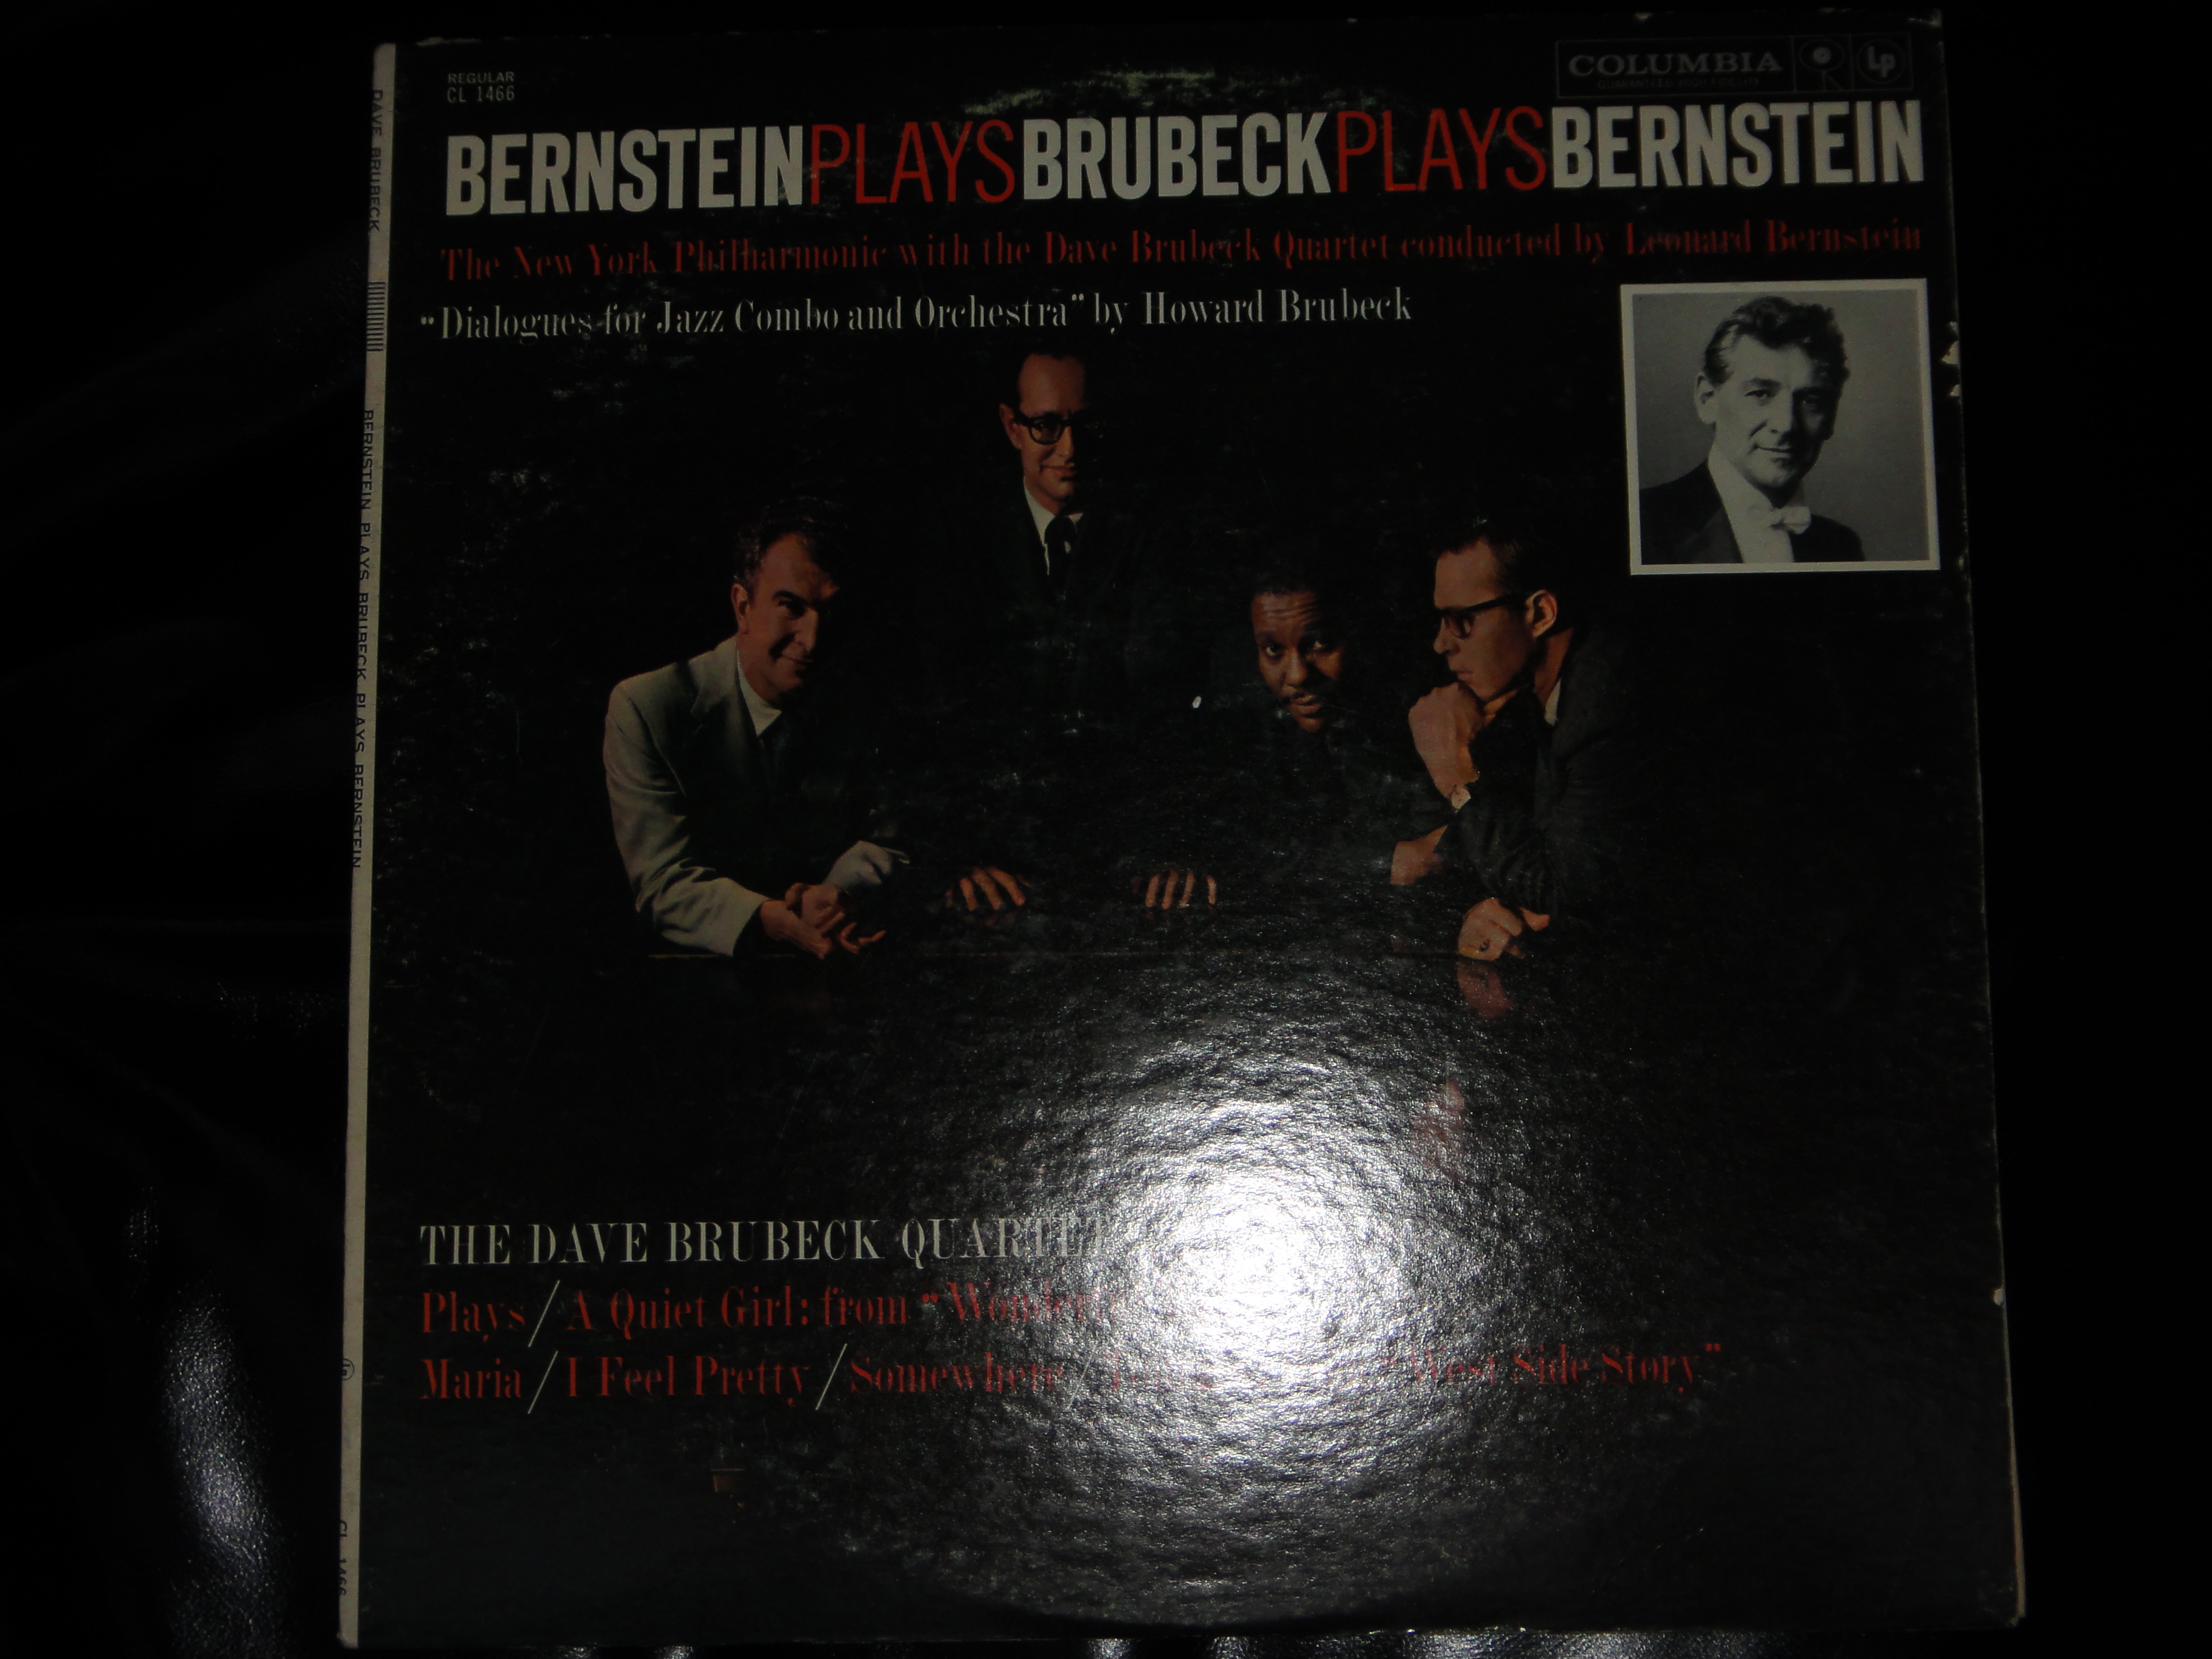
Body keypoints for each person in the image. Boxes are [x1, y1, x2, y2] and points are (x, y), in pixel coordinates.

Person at [603, 498, 903, 959]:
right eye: (791, 607)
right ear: (742, 606)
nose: (813, 640)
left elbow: (889, 839)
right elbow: (662, 880)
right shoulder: (647, 707)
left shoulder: (865, 705)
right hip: (697, 974)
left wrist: (838, 897)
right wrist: (766, 917)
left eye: (830, 611)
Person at [1407, 504, 1647, 962]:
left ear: (1539, 614)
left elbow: (1561, 891)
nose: (1441, 643)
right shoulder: (1538, 693)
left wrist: (1454, 770)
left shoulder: (1607, 708)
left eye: (1462, 620)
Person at [1639, 295, 1863, 566]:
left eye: (1810, 400)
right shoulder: (1641, 523)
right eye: (1760, 394)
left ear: (1831, 416)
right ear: (1707, 399)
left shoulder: (1842, 546)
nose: (1786, 425)